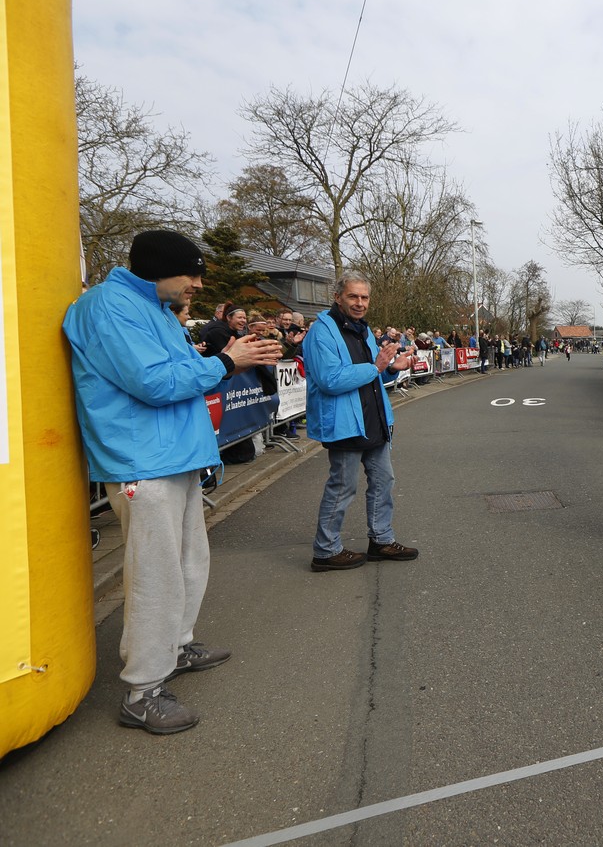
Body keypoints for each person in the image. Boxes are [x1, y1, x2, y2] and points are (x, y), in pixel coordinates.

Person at [63, 229, 283, 734]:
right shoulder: (108, 306)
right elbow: (154, 383)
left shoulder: (156, 310)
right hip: (143, 462)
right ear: (159, 269)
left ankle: (176, 646)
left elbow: (180, 373)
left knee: (188, 562)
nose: (198, 285)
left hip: (174, 456)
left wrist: (228, 359)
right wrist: (227, 361)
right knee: (155, 575)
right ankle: (142, 691)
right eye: (191, 274)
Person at [303, 271, 420, 572]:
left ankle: (381, 540)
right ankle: (325, 550)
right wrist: (376, 366)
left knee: (384, 481)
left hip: (373, 419)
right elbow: (330, 380)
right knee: (342, 487)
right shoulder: (321, 332)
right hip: (345, 424)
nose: (359, 303)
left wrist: (392, 368)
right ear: (337, 297)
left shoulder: (363, 329)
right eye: (353, 296)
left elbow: (373, 373)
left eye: (364, 297)